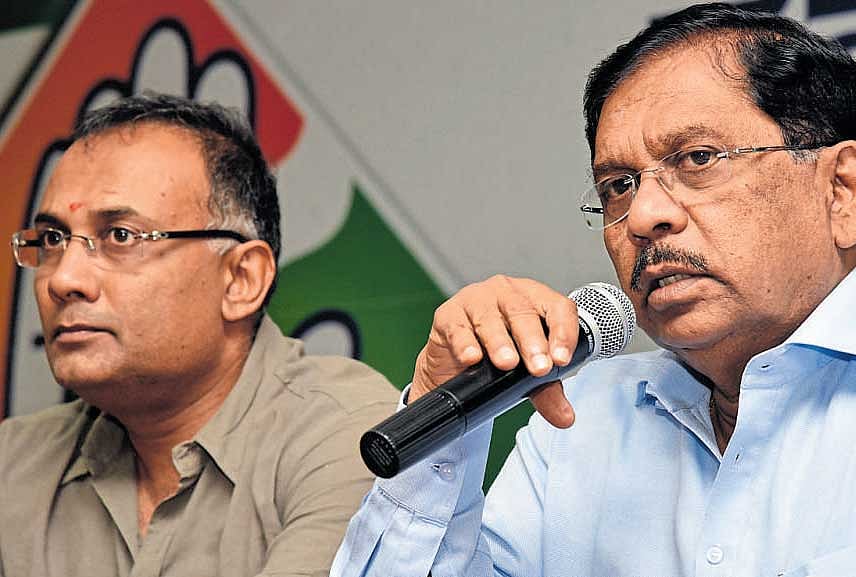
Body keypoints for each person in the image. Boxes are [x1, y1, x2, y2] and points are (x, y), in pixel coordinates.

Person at [331, 3, 856, 576]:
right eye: (618, 186)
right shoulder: (584, 421)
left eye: (698, 159)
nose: (643, 216)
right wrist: (441, 430)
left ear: (843, 192)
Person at [0, 93, 398, 577]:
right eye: (53, 240)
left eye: (120, 236)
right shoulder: (15, 463)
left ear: (241, 280)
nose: (63, 279)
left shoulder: (348, 434)